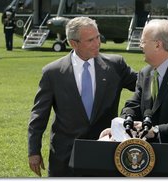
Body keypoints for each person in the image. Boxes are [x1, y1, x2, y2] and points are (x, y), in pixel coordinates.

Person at [28, 16, 137, 177]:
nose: (97, 43)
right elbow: (39, 115)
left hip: (105, 152)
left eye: (98, 37)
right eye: (90, 40)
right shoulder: (52, 72)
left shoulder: (116, 65)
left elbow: (144, 88)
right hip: (64, 156)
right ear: (73, 43)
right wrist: (34, 151)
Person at [100, 19, 168, 176]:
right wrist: (121, 126)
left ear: (158, 45)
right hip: (145, 164)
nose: (140, 46)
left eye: (143, 41)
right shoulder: (146, 73)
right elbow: (133, 104)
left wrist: (155, 131)